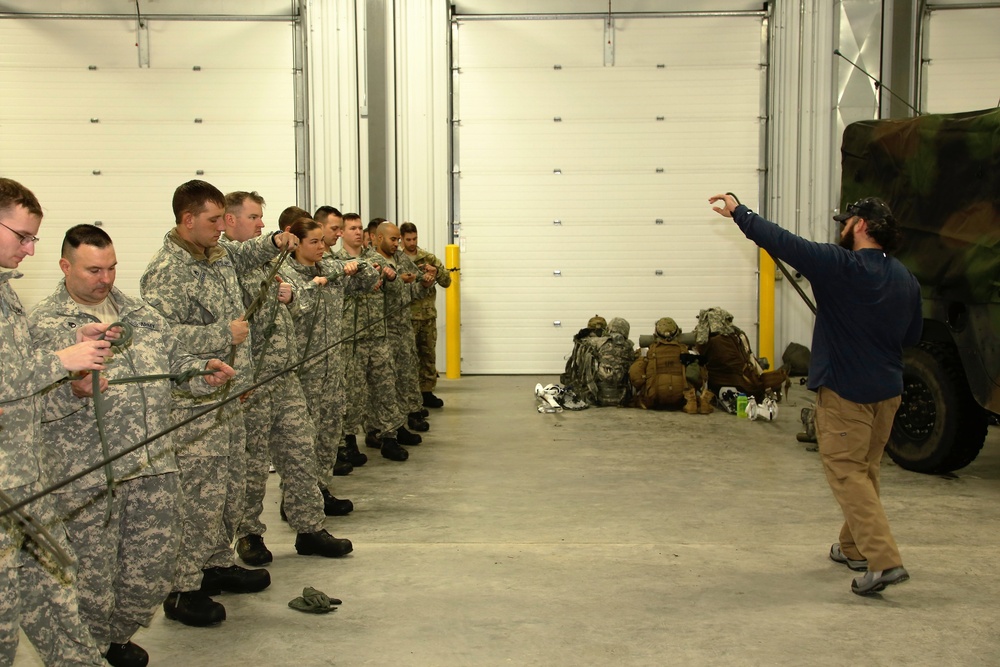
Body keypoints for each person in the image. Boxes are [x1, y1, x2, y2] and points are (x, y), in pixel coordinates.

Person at [29, 224, 235, 667]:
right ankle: (90, 650)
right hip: (86, 478)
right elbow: (27, 404)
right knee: (90, 577)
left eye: (112, 268)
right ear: (65, 266)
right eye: (93, 270)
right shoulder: (44, 328)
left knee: (152, 568)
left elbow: (175, 363)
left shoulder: (138, 315)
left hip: (153, 467)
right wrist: (71, 391)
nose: (105, 279)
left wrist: (203, 372)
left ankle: (112, 637)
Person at [709, 193, 921, 595]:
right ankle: (852, 547)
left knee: (846, 471)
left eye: (846, 221)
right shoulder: (906, 278)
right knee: (866, 468)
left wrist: (740, 212)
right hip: (888, 393)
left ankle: (884, 561)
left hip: (847, 392)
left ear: (860, 225)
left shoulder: (840, 265)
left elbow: (785, 243)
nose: (841, 227)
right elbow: (912, 335)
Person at [140, 180, 298, 626]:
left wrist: (275, 239)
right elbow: (159, 337)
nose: (221, 228)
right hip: (194, 405)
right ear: (188, 220)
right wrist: (220, 336)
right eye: (213, 221)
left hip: (229, 396)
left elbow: (247, 253)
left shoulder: (219, 254)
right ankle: (182, 588)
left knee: (225, 490)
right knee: (196, 496)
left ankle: (213, 562)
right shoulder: (166, 271)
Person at [0, 178, 113, 666]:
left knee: (56, 596)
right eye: (21, 236)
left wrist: (65, 357)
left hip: (25, 484)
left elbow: (13, 375)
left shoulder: (6, 293)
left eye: (33, 239)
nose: (29, 249)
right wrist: (60, 361)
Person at [221, 193, 352, 567]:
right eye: (254, 217)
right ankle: (248, 533)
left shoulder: (266, 260)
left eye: (262, 218)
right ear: (231, 222)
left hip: (285, 374)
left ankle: (309, 528)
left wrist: (293, 295)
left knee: (300, 449)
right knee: (254, 462)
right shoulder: (225, 262)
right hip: (254, 380)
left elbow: (293, 302)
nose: (261, 224)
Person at [335, 214, 415, 461]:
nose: (358, 232)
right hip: (351, 338)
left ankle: (389, 437)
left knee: (386, 388)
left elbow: (399, 296)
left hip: (378, 334)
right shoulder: (335, 262)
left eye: (360, 228)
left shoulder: (375, 260)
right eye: (352, 228)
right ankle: (349, 441)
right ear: (342, 232)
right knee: (353, 393)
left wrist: (391, 279)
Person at [374, 222, 433, 434]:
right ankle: (388, 427)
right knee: (388, 380)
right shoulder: (373, 262)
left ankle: (410, 414)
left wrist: (424, 283)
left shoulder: (399, 258)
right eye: (393, 239)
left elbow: (414, 287)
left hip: (403, 325)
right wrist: (399, 280)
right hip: (384, 330)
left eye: (399, 239)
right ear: (379, 238)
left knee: (408, 371)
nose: (397, 243)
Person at [399, 222, 451, 409]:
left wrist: (436, 273)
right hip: (406, 317)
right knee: (408, 358)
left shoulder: (428, 258)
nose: (412, 243)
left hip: (427, 316)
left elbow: (447, 281)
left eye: (415, 239)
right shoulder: (398, 259)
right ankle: (409, 395)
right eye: (408, 239)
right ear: (402, 239)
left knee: (428, 355)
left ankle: (427, 391)